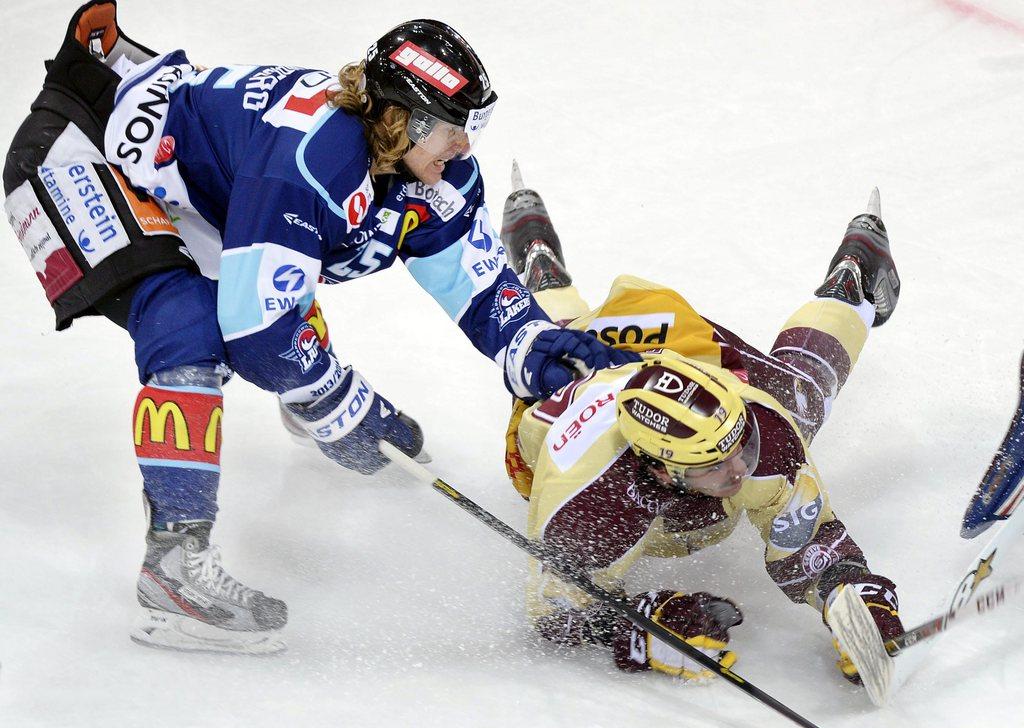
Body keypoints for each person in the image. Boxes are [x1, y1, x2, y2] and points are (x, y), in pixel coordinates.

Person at [3, 2, 632, 654]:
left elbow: (476, 283)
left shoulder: (421, 166)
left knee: (274, 297)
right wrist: (339, 402)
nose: (466, 145)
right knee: (191, 327)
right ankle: (173, 569)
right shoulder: (310, 163)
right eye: (454, 127)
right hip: (77, 158)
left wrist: (532, 344)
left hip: (190, 191)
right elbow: (259, 333)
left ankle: (308, 404)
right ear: (402, 120)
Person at [499, 169, 903, 686]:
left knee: (799, 400)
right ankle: (539, 275)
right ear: (661, 471)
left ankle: (855, 283)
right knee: (546, 344)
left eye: (740, 445)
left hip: (684, 355)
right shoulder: (587, 500)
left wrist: (847, 589)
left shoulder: (759, 428)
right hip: (579, 383)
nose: (742, 469)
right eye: (716, 465)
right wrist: (641, 621)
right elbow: (557, 612)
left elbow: (806, 533)